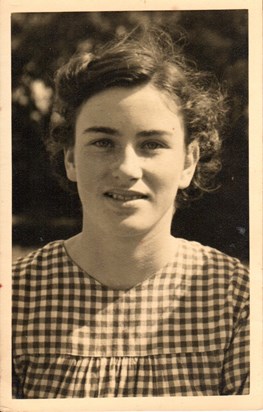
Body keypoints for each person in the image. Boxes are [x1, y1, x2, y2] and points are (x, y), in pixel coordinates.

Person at [12, 27, 249, 398]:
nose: (126, 168)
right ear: (71, 158)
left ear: (189, 161)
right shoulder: (14, 298)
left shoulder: (239, 300)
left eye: (152, 144)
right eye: (103, 142)